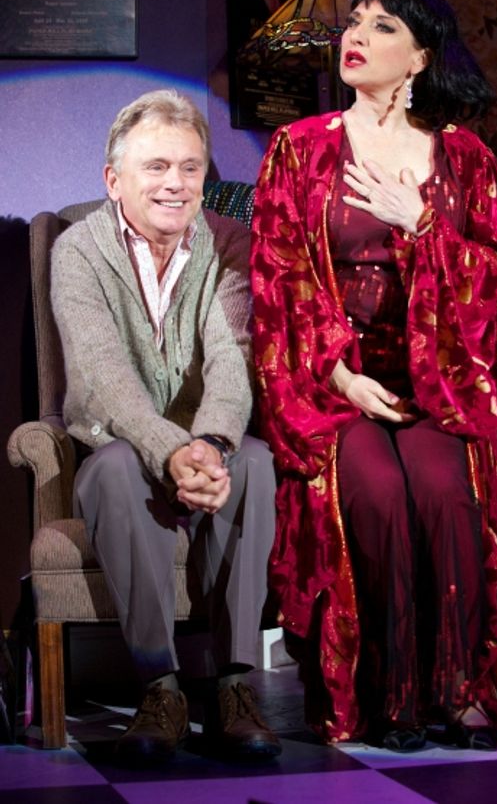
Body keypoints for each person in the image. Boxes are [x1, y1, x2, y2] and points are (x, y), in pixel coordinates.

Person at [250, 0, 497, 752]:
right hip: (337, 379)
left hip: (437, 376)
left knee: (446, 492)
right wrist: (338, 373)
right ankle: (391, 699)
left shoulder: (464, 160)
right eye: (358, 23)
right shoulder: (299, 150)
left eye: (382, 28)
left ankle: (460, 693)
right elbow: (280, 281)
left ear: (418, 58)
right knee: (371, 494)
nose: (358, 36)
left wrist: (424, 223)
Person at [51, 89, 281, 763]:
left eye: (189, 166)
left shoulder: (229, 244)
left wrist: (207, 445)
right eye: (155, 166)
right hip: (117, 440)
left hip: (210, 440)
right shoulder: (78, 250)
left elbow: (232, 359)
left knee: (259, 463)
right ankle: (161, 685)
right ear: (113, 178)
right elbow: (101, 372)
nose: (175, 183)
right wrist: (170, 448)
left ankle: (235, 684)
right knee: (120, 468)